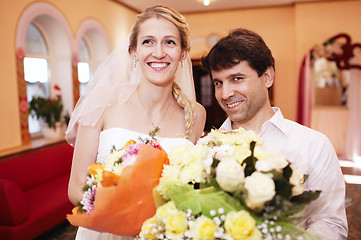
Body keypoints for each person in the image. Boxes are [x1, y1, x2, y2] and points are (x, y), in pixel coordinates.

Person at [66, 5, 206, 239]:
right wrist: (125, 215)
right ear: (133, 51)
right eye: (148, 42)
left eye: (169, 42)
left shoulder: (195, 113)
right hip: (105, 231)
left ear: (183, 53)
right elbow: (77, 187)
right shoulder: (103, 100)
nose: (159, 52)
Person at [201, 28, 348, 240]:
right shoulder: (206, 148)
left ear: (267, 77)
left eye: (237, 78)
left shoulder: (314, 145)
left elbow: (330, 223)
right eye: (218, 83)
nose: (225, 94)